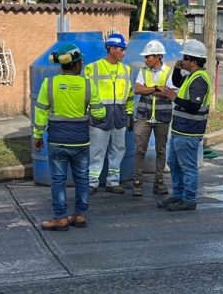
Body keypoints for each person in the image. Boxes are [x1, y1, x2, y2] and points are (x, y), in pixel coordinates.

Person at [33, 43, 106, 231]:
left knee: (58, 180)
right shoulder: (89, 85)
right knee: (82, 178)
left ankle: (60, 218)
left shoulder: (49, 84)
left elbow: (40, 113)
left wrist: (37, 135)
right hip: (81, 141)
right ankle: (80, 215)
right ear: (76, 64)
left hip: (57, 140)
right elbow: (99, 115)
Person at [157, 39, 212, 211]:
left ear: (194, 61)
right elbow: (177, 82)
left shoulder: (200, 80)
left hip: (189, 132)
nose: (183, 60)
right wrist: (177, 68)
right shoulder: (191, 76)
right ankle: (178, 195)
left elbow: (194, 105)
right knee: (174, 164)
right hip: (179, 130)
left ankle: (188, 199)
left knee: (188, 167)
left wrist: (174, 99)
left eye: (185, 58)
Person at [85, 33, 134, 194]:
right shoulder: (92, 68)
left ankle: (113, 182)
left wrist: (129, 113)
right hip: (99, 117)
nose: (124, 53)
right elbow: (86, 93)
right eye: (121, 49)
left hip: (119, 116)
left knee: (118, 149)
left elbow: (130, 94)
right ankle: (92, 183)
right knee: (97, 150)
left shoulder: (126, 69)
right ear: (111, 49)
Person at [132, 40, 177, 197]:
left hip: (162, 117)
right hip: (144, 117)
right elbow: (137, 89)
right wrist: (158, 88)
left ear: (158, 56)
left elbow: (170, 93)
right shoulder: (143, 71)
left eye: (148, 57)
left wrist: (149, 90)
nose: (146, 60)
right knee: (139, 150)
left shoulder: (169, 72)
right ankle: (137, 183)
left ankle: (159, 182)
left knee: (161, 151)